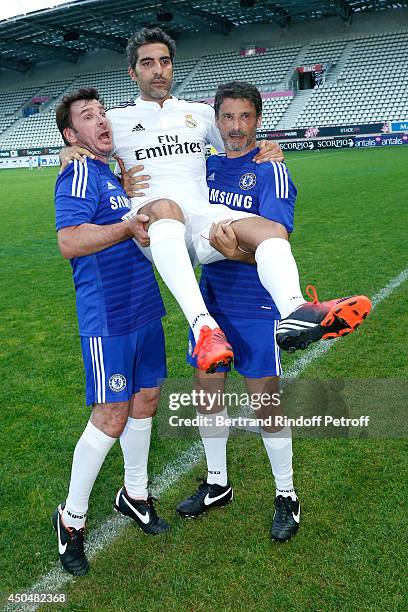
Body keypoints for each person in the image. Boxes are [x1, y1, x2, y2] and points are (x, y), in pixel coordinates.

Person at [62, 27, 371, 375]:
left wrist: (266, 147)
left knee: (270, 231)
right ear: (133, 73)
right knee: (167, 207)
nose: (158, 70)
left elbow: (235, 143)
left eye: (164, 61)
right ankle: (203, 327)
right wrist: (70, 150)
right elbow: (91, 161)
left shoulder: (200, 113)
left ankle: (295, 310)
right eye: (148, 63)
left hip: (204, 221)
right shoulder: (116, 119)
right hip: (154, 227)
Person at [176, 81, 300, 542]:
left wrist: (235, 254)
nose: (236, 127)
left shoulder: (271, 170)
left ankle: (286, 494)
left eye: (245, 117)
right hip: (210, 303)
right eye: (227, 117)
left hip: (257, 302)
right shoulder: (201, 170)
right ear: (217, 120)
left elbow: (276, 246)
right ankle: (217, 482)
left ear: (258, 120)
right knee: (208, 393)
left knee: (266, 402)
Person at [53, 88, 169, 577]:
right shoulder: (78, 170)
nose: (100, 120)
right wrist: (125, 227)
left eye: (102, 113)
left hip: (143, 305)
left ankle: (134, 495)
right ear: (71, 135)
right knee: (111, 413)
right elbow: (69, 241)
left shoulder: (108, 171)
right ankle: (71, 519)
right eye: (87, 116)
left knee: (146, 400)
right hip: (108, 316)